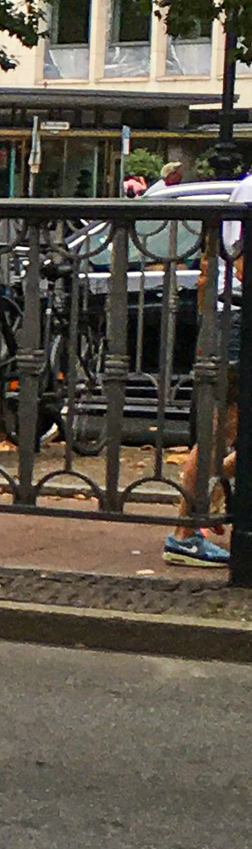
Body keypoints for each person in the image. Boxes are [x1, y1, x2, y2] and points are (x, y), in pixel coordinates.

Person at [167, 170, 252, 569]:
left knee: (225, 430)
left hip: (231, 317)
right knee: (223, 429)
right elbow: (241, 265)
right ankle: (187, 529)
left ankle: (204, 506)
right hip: (236, 318)